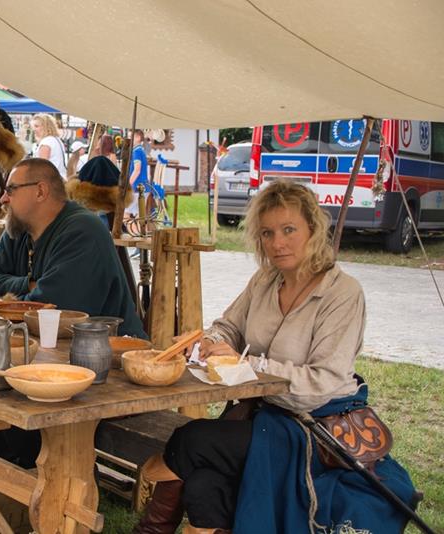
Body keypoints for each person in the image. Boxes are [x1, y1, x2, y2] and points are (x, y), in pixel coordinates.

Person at [133, 180, 416, 534]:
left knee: (193, 440)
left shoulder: (342, 293)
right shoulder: (266, 279)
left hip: (316, 426)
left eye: (288, 230)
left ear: (313, 229)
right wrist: (208, 342)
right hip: (265, 414)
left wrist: (247, 366)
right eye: (267, 233)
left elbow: (321, 383)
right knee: (204, 485)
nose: (277, 243)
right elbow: (229, 327)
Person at [0, 157, 144, 338]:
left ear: (40, 192)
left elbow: (49, 313)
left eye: (10, 190)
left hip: (110, 350)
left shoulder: (83, 232)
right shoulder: (20, 228)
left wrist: (3, 300)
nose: (3, 199)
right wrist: (27, 285)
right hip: (51, 347)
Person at [31, 113, 67, 177]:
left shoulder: (46, 142)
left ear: (46, 126)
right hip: (60, 177)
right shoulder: (56, 139)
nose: (34, 129)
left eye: (36, 126)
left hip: (51, 178)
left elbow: (42, 167)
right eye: (33, 127)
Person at [126, 129, 150, 220]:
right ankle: (139, 230)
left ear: (138, 138)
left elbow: (137, 170)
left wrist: (128, 185)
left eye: (130, 137)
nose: (129, 139)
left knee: (125, 215)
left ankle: (136, 230)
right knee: (140, 217)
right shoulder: (140, 150)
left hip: (137, 188)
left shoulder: (136, 152)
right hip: (144, 188)